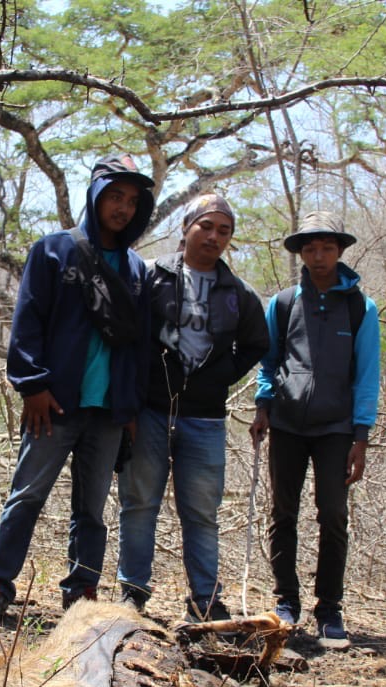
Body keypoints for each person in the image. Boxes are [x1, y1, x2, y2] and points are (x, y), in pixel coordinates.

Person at [0, 154, 155, 620]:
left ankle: (81, 594)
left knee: (92, 509)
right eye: (115, 196)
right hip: (52, 404)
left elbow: (138, 347)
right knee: (26, 496)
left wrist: (129, 407)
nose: (123, 208)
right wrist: (32, 385)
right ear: (94, 196)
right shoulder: (53, 250)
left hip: (107, 410)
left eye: (132, 201)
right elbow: (28, 321)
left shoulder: (137, 270)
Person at [115, 193, 268, 620]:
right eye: (206, 226)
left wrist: (219, 376)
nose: (214, 237)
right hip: (148, 410)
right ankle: (132, 594)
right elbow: (126, 337)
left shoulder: (238, 293)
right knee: (139, 502)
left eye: (224, 231)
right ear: (186, 229)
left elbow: (257, 343)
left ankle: (205, 600)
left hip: (205, 418)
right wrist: (129, 400)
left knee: (201, 511)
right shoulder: (148, 277)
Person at [249, 211, 380, 649]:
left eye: (326, 248)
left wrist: (361, 437)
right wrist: (263, 405)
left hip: (336, 430)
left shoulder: (360, 307)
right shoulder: (283, 303)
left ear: (340, 251)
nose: (318, 256)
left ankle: (330, 608)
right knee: (282, 514)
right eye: (310, 248)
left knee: (334, 515)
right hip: (286, 424)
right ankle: (286, 602)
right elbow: (269, 362)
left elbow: (366, 374)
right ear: (301, 253)